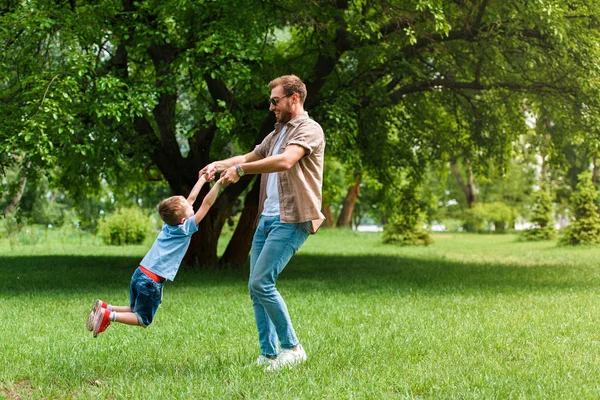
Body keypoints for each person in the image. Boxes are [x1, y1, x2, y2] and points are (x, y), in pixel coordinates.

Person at [201, 74, 325, 370]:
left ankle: (293, 348)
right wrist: (220, 164)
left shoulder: (309, 129)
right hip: (267, 218)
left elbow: (285, 161)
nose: (271, 107)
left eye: (275, 100)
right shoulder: (277, 132)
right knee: (255, 287)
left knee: (261, 282)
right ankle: (268, 354)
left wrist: (241, 171)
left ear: (294, 98)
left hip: (292, 218)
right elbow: (251, 155)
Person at [86, 173, 223, 338]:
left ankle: (105, 307)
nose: (192, 208)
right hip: (151, 281)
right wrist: (219, 183)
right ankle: (109, 316)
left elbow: (192, 198)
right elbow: (206, 204)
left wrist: (202, 179)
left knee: (134, 309)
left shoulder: (168, 225)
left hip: (140, 273)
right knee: (142, 319)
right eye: (190, 210)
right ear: (183, 220)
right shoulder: (185, 228)